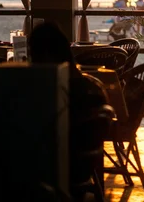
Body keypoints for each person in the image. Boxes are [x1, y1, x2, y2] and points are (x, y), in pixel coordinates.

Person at [27, 21, 110, 196]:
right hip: (83, 169)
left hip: (54, 172)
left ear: (45, 54)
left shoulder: (54, 95)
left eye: (32, 53)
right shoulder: (93, 88)